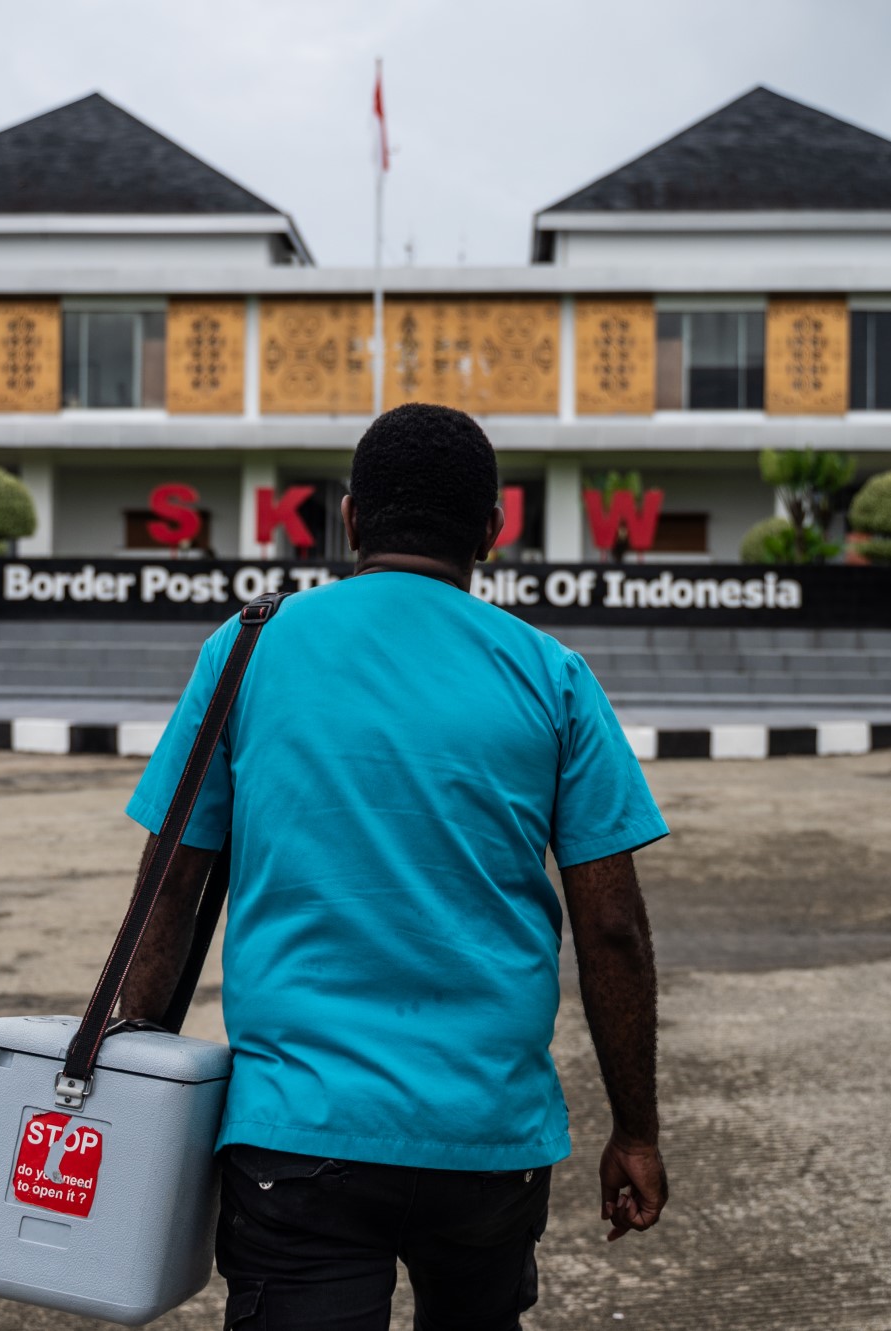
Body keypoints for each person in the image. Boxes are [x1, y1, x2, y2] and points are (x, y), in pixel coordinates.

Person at [116, 403, 669, 1330]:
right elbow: (611, 927)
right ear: (493, 532)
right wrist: (637, 1130)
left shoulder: (246, 648)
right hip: (488, 1141)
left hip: (296, 1133)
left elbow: (168, 887)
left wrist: (125, 1084)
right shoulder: (553, 674)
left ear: (348, 519)